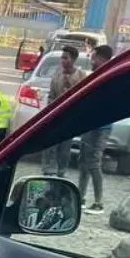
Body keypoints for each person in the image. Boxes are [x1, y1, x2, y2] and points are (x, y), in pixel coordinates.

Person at [76, 43, 115, 211]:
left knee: (93, 163)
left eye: (93, 57)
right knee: (83, 162)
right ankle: (80, 197)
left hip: (102, 127)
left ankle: (99, 202)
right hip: (88, 124)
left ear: (102, 58)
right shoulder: (94, 76)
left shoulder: (111, 76)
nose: (91, 60)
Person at [41, 44, 85, 178]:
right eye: (62, 58)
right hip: (55, 116)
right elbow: (51, 95)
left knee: (65, 147)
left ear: (73, 60)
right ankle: (48, 171)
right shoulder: (57, 75)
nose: (63, 61)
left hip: (70, 117)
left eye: (66, 58)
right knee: (50, 144)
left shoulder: (81, 76)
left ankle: (61, 173)